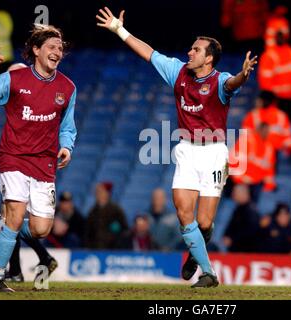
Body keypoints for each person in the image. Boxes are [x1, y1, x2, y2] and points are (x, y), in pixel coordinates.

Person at [96, 7, 257, 287]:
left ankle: (194, 255)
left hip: (215, 155)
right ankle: (208, 273)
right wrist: (119, 30)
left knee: (205, 224)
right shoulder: (178, 72)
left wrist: (244, 75)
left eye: (196, 50)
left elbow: (233, 83)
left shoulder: (219, 80)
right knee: (185, 214)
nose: (190, 52)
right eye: (191, 48)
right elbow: (148, 52)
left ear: (209, 58)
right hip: (186, 150)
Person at [0, 23, 77, 292]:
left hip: (44, 163)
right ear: (37, 50)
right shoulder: (15, 78)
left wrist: (67, 146)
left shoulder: (67, 87)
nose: (57, 52)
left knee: (41, 229)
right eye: (51, 47)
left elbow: (68, 126)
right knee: (16, 217)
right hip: (13, 156)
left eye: (60, 48)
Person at [258, 29, 291, 122]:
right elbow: (265, 82)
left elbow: (265, 82)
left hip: (283, 100)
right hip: (279, 99)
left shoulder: (271, 55)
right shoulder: (290, 53)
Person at [229, 122, 276, 203]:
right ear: (258, 129)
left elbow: (269, 167)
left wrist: (269, 185)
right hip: (240, 183)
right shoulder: (247, 141)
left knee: (251, 208)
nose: (266, 133)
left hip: (256, 184)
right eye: (264, 130)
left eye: (268, 131)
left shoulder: (269, 147)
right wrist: (239, 180)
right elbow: (234, 161)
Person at [85, 182, 129, 249]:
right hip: (95, 248)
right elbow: (88, 231)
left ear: (107, 193)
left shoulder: (116, 210)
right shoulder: (93, 211)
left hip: (112, 248)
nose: (97, 194)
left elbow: (123, 229)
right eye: (97, 192)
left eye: (100, 192)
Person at [222, 184, 260, 253]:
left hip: (245, 251)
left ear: (243, 193)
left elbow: (251, 231)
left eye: (235, 193)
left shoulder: (250, 210)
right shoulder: (239, 208)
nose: (233, 196)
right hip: (237, 249)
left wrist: (232, 239)